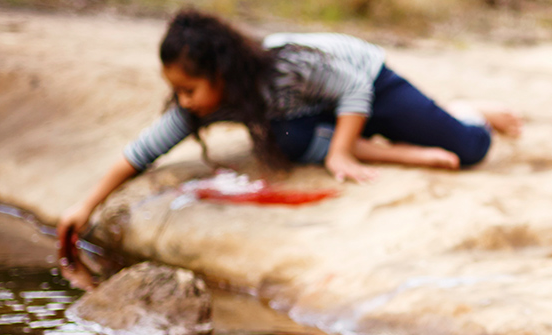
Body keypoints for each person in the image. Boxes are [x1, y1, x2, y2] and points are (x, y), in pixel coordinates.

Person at [54, 8, 521, 270]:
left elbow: (353, 89)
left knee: (467, 151)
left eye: (189, 88)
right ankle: (394, 149)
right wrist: (84, 206)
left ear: (220, 73)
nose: (184, 100)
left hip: (365, 79)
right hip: (317, 110)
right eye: (176, 89)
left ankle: (469, 110)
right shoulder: (206, 103)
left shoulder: (285, 66)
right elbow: (142, 151)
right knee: (288, 138)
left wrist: (338, 153)